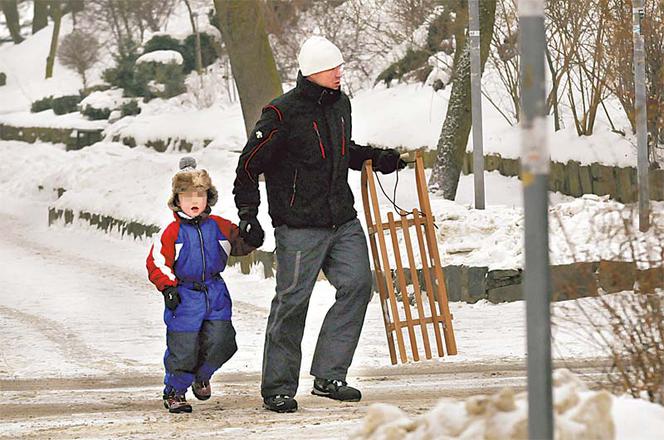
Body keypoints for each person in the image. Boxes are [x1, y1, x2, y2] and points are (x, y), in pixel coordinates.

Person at [233, 35, 405, 413]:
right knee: (293, 302)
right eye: (333, 68)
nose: (340, 73)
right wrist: (249, 215)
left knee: (359, 285)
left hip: (342, 220)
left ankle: (329, 375)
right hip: (299, 227)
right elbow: (248, 166)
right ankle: (277, 386)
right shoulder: (280, 114)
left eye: (340, 67)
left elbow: (342, 151)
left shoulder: (340, 104)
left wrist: (376, 157)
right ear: (313, 72)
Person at [147, 157, 255, 413]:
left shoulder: (218, 226)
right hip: (185, 295)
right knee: (183, 348)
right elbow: (157, 261)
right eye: (187, 195)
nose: (195, 201)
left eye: (200, 194)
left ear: (209, 197)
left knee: (223, 340)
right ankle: (175, 390)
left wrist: (251, 235)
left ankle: (201, 375)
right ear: (177, 199)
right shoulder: (172, 232)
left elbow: (238, 243)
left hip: (215, 292)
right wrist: (168, 287)